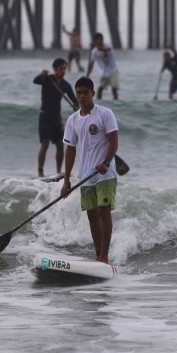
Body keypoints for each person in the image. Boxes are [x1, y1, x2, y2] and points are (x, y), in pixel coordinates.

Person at [60, 77, 119, 264]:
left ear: (93, 93)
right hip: (86, 175)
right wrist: (66, 180)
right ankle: (98, 252)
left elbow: (114, 141)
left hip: (105, 173)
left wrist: (106, 162)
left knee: (104, 210)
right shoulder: (73, 120)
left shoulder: (104, 114)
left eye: (86, 92)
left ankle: (104, 256)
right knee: (92, 215)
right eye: (78, 92)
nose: (82, 96)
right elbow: (70, 150)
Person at [33, 58, 79, 178]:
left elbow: (74, 100)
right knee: (45, 143)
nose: (63, 71)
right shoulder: (47, 79)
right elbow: (35, 81)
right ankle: (40, 172)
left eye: (65, 69)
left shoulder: (65, 85)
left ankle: (59, 171)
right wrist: (41, 74)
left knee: (60, 144)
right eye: (61, 69)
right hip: (45, 116)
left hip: (56, 117)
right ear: (55, 69)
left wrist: (77, 107)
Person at [87, 33, 119, 100]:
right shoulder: (94, 51)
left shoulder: (108, 45)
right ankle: (99, 104)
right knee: (100, 89)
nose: (100, 41)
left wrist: (97, 46)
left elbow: (107, 51)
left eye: (101, 39)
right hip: (105, 71)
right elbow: (91, 63)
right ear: (95, 41)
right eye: (98, 40)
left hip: (113, 69)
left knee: (114, 89)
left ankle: (116, 103)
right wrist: (88, 75)